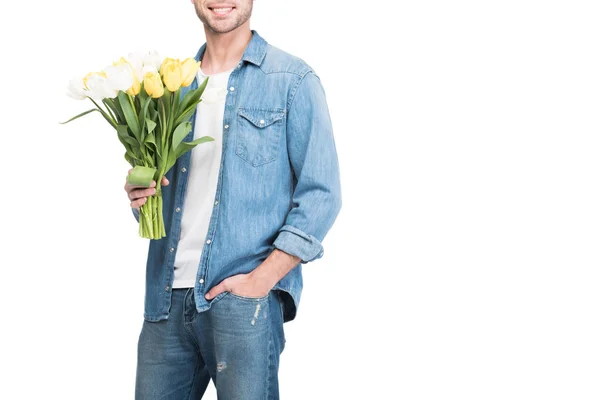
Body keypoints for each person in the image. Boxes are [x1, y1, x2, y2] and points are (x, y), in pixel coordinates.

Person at [124, 1, 342, 398]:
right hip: (165, 301)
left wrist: (263, 279)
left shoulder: (291, 80)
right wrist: (141, 194)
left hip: (242, 301)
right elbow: (167, 197)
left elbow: (322, 193)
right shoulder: (170, 87)